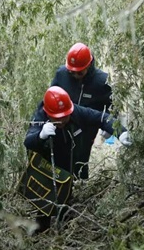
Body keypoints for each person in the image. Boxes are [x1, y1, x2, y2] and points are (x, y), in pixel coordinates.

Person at [24, 86, 132, 233]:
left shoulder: (76, 111)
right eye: (57, 118)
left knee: (66, 201)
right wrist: (40, 135)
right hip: (46, 167)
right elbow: (28, 141)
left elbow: (101, 118)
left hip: (68, 165)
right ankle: (40, 232)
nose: (62, 121)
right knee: (45, 206)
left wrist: (120, 132)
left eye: (65, 117)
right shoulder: (40, 116)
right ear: (48, 113)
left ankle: (65, 231)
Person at [39, 42, 124, 179]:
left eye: (79, 72)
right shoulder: (61, 74)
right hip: (63, 123)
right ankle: (57, 188)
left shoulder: (102, 81)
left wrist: (111, 126)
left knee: (79, 162)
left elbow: (114, 104)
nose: (75, 75)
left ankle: (80, 189)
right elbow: (51, 95)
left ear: (89, 66)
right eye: (71, 72)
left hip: (87, 128)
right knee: (58, 159)